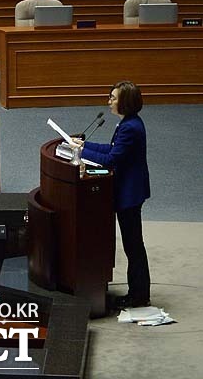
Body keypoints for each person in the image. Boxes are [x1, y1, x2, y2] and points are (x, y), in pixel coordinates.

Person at [78, 80, 151, 310]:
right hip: (129, 190)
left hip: (130, 194)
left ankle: (139, 295)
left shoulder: (130, 127)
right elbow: (111, 149)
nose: (109, 101)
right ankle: (138, 292)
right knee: (133, 244)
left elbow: (111, 159)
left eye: (113, 98)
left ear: (125, 102)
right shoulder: (128, 123)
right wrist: (84, 145)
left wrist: (81, 151)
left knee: (133, 246)